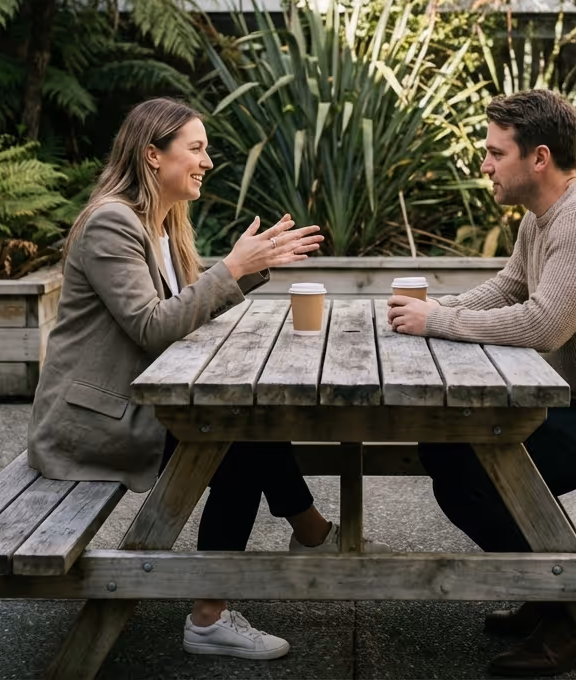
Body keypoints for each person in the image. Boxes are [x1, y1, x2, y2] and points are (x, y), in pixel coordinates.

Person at [29, 97, 385, 662]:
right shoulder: (111, 225)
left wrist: (249, 268)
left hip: (134, 405)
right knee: (237, 440)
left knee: (245, 427)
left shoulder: (164, 224)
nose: (208, 161)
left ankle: (302, 541)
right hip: (94, 421)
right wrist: (235, 268)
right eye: (196, 148)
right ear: (152, 155)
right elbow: (152, 328)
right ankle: (247, 585)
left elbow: (184, 316)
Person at [386, 89, 576, 677]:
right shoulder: (544, 215)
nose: (485, 164)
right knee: (450, 449)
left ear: (539, 158)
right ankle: (552, 591)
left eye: (496, 152)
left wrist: (440, 321)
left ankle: (573, 607)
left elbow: (544, 324)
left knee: (471, 462)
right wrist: (435, 313)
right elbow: (508, 289)